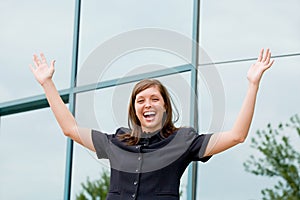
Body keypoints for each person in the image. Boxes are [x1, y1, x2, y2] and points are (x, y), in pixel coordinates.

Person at [30, 49, 274, 200]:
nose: (148, 104)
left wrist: (253, 85)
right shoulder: (116, 142)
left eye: (154, 99)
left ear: (165, 106)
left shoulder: (183, 141)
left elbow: (237, 136)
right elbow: (70, 129)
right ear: (134, 110)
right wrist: (47, 84)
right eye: (141, 100)